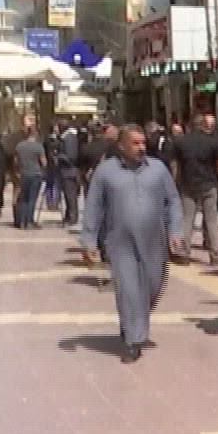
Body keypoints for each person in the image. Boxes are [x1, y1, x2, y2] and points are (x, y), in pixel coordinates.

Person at [80, 126, 185, 363]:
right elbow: (94, 206)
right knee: (128, 289)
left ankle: (133, 323)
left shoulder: (158, 169)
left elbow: (173, 200)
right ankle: (133, 339)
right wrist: (89, 242)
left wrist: (176, 231)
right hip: (119, 241)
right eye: (135, 143)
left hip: (154, 241)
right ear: (121, 146)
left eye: (143, 143)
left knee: (152, 287)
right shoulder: (105, 172)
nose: (141, 148)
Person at [169, 113, 218, 264]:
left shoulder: (180, 142)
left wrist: (175, 182)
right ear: (203, 125)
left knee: (187, 219)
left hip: (187, 183)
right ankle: (215, 254)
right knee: (211, 220)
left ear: (189, 126)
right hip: (208, 183)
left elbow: (175, 165)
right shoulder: (213, 142)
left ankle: (184, 253)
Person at [12, 121, 49, 230]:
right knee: (32, 198)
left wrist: (18, 171)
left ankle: (22, 221)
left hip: (23, 174)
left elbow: (15, 161)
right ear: (35, 134)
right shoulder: (38, 147)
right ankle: (29, 221)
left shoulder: (19, 146)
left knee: (23, 198)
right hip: (35, 174)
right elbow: (44, 162)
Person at [56, 122, 83, 230]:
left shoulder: (69, 138)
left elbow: (72, 156)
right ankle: (68, 216)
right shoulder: (65, 137)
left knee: (71, 195)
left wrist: (59, 156)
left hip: (69, 171)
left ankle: (72, 217)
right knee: (68, 195)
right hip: (65, 171)